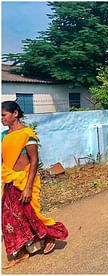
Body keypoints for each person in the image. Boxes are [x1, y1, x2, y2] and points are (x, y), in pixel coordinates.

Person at [1, 101, 68, 269]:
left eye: (4, 115)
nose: (2, 118)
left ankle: (49, 236)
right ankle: (21, 251)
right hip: (9, 180)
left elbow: (34, 161)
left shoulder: (27, 134)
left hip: (25, 180)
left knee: (32, 214)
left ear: (15, 114)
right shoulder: (4, 135)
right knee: (9, 217)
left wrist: (28, 187)